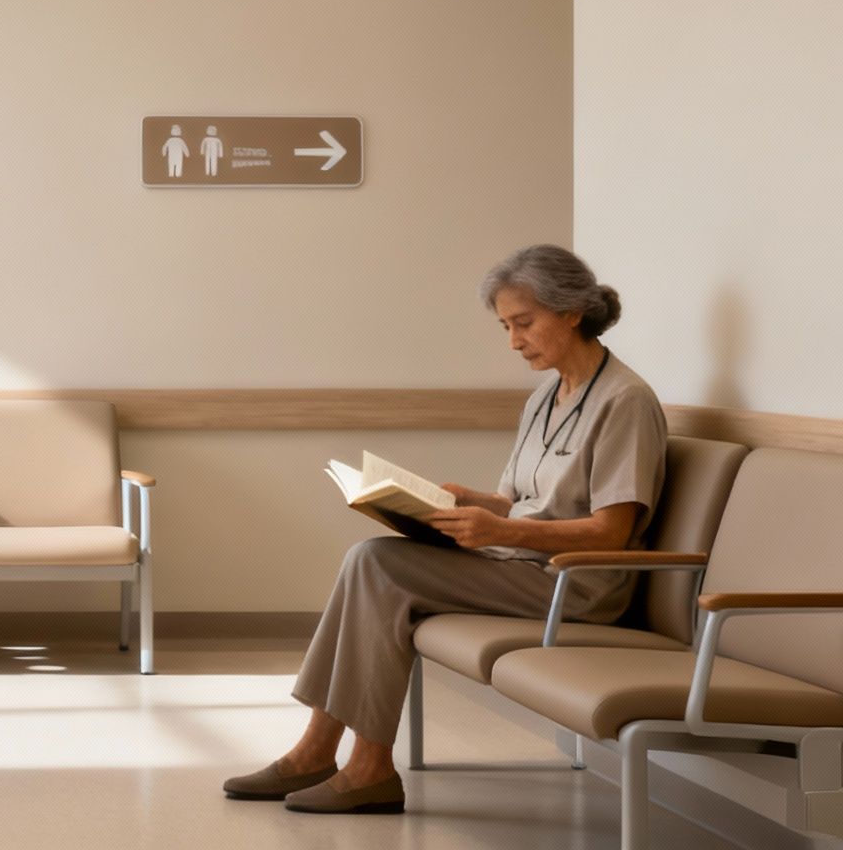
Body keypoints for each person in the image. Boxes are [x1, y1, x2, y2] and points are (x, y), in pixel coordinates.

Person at [221, 244, 667, 815]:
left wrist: (499, 531)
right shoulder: (545, 398)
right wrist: (464, 501)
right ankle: (322, 753)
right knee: (371, 558)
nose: (513, 341)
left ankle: (361, 766)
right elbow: (520, 503)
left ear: (572, 312)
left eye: (524, 323)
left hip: (575, 587)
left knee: (377, 564)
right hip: (521, 567)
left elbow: (609, 533)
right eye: (506, 325)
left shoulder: (625, 401)